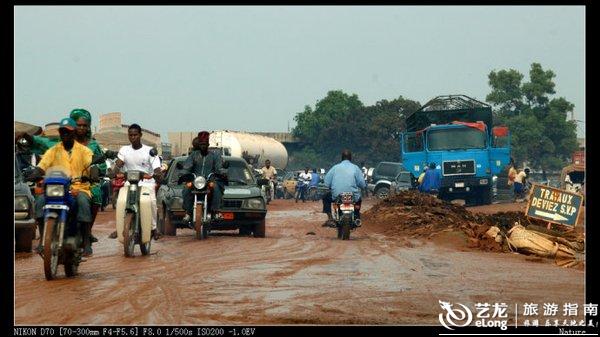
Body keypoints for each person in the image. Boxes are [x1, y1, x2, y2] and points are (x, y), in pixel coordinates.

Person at [28, 118, 94, 256]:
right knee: (40, 201)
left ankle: (86, 241)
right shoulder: (53, 150)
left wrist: (93, 174)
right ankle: (42, 240)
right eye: (62, 131)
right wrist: (34, 174)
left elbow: (91, 165)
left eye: (68, 131)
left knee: (83, 201)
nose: (65, 134)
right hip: (56, 188)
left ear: (74, 132)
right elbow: (42, 166)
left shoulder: (84, 151)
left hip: (78, 187)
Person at [113, 124, 162, 240]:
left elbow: (156, 167)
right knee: (121, 201)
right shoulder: (124, 150)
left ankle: (154, 228)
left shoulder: (149, 151)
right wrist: (112, 171)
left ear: (140, 135)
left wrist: (158, 173)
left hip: (146, 182)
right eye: (130, 135)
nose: (133, 137)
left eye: (135, 135)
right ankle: (120, 227)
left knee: (151, 202)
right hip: (129, 182)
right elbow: (118, 164)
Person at [70, 109, 108, 244]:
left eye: (84, 125)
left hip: (87, 182)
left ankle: (87, 231)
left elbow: (103, 164)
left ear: (88, 127)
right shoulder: (64, 142)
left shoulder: (93, 145)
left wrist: (95, 169)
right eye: (78, 125)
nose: (81, 128)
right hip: (66, 181)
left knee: (97, 193)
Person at [180, 131, 224, 224]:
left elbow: (219, 168)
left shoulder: (214, 156)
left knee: (216, 187)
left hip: (210, 180)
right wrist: (184, 173)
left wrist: (221, 172)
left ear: (208, 144)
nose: (203, 146)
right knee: (187, 187)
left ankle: (216, 211)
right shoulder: (193, 155)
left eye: (204, 144)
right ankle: (188, 212)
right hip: (196, 181)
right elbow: (187, 167)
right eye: (201, 144)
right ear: (199, 145)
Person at [321, 150, 366, 227]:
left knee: (325, 197)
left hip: (338, 195)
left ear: (341, 158)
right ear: (350, 158)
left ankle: (330, 218)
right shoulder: (355, 168)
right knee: (359, 200)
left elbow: (326, 182)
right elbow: (362, 184)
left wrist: (330, 187)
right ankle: (357, 217)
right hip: (353, 196)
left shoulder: (335, 168)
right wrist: (362, 187)